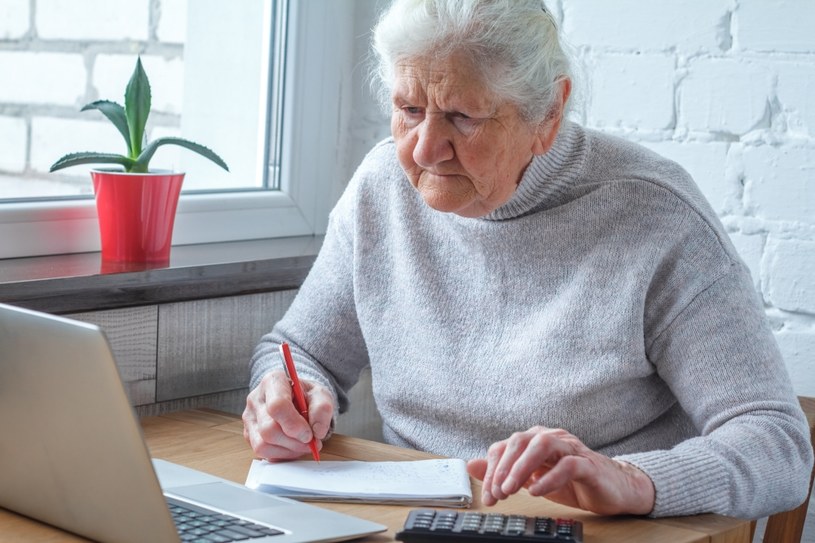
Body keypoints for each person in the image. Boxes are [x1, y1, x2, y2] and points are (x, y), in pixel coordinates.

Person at [243, 0, 813, 519]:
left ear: (548, 114)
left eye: (462, 117)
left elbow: (778, 444)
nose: (423, 148)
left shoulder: (655, 217)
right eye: (409, 108)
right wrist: (285, 397)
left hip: (592, 532)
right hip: (416, 523)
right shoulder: (380, 189)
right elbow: (300, 350)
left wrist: (635, 479)